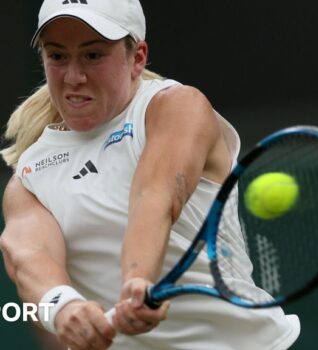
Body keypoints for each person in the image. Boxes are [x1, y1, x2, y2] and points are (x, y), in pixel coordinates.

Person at [0, 0, 300, 349]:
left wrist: (137, 280)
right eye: (57, 56)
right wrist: (63, 307)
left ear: (137, 57)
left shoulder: (175, 107)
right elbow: (28, 256)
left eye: (93, 55)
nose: (73, 76)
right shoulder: (31, 175)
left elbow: (153, 198)